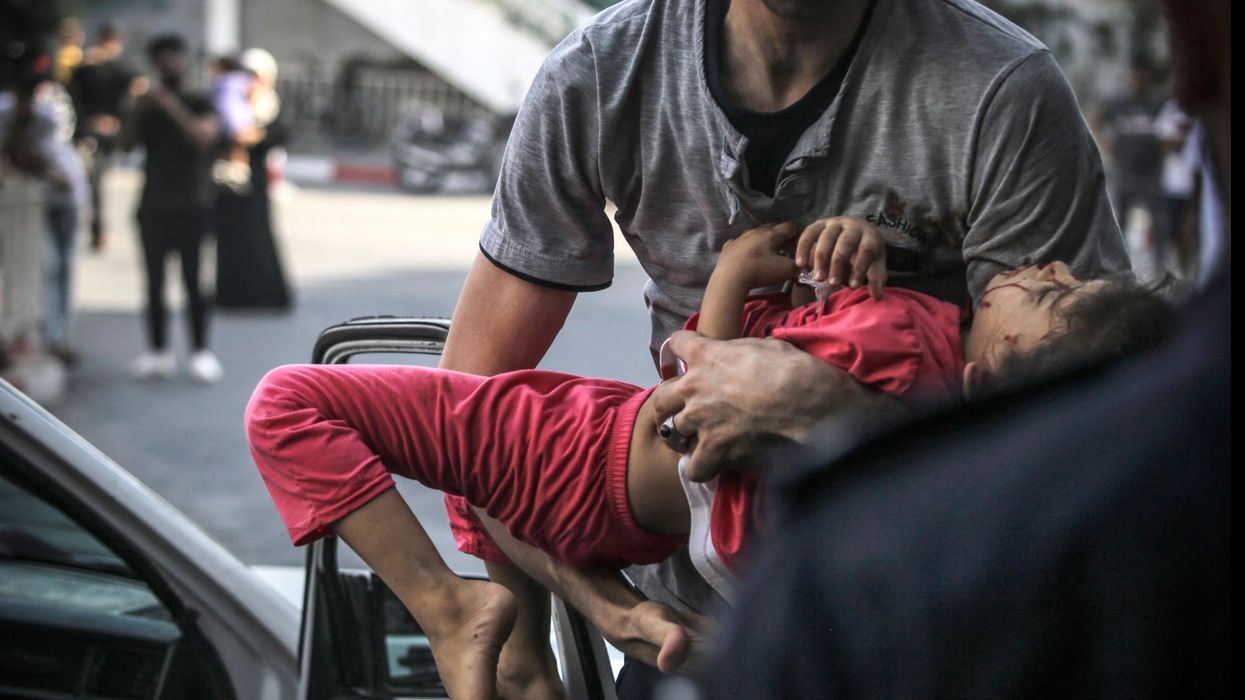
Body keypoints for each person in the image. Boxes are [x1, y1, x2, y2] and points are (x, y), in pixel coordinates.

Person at [435, 0, 1129, 692]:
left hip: (920, 631)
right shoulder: (600, 73)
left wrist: (841, 416)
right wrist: (604, 608)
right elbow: (458, 417)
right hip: (688, 633)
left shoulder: (999, 87)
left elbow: (1089, 449)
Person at [246, 219, 1170, 698]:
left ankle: (448, 609)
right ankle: (562, 639)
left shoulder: (903, 332)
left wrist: (730, 273)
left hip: (587, 447)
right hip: (620, 497)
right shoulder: (929, 422)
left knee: (291, 403)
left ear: (1001, 366)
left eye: (1055, 295)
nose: (1045, 269)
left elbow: (699, 374)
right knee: (484, 510)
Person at [691, 0, 1230, 695]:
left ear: (1190, 46)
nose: (1047, 268)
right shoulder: (602, 66)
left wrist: (831, 410)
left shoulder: (870, 574)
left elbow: (700, 392)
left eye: (1051, 291)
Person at [120, 34, 223, 383]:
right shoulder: (145, 104)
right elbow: (125, 143)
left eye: (173, 57)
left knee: (195, 281)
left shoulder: (198, 99)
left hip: (193, 205)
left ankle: (200, 351)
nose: (168, 64)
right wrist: (139, 108)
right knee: (154, 283)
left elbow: (204, 137)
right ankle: (157, 351)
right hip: (153, 206)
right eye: (161, 58)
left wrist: (169, 105)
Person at [0, 68, 89, 366]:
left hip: (65, 197)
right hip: (38, 201)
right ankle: (49, 335)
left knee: (63, 266)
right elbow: (21, 155)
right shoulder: (10, 116)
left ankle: (58, 334)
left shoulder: (46, 113)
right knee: (48, 267)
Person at [212, 48, 292, 311]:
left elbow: (276, 136)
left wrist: (253, 136)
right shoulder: (231, 98)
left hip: (255, 182)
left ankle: (266, 294)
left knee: (259, 238)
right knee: (230, 241)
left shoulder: (270, 103)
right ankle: (232, 295)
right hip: (229, 183)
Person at [68, 20, 139, 252]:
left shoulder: (119, 67)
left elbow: (134, 87)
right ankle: (98, 228)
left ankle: (99, 228)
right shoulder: (87, 69)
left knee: (98, 180)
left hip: (111, 131)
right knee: (95, 180)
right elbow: (75, 98)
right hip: (92, 132)